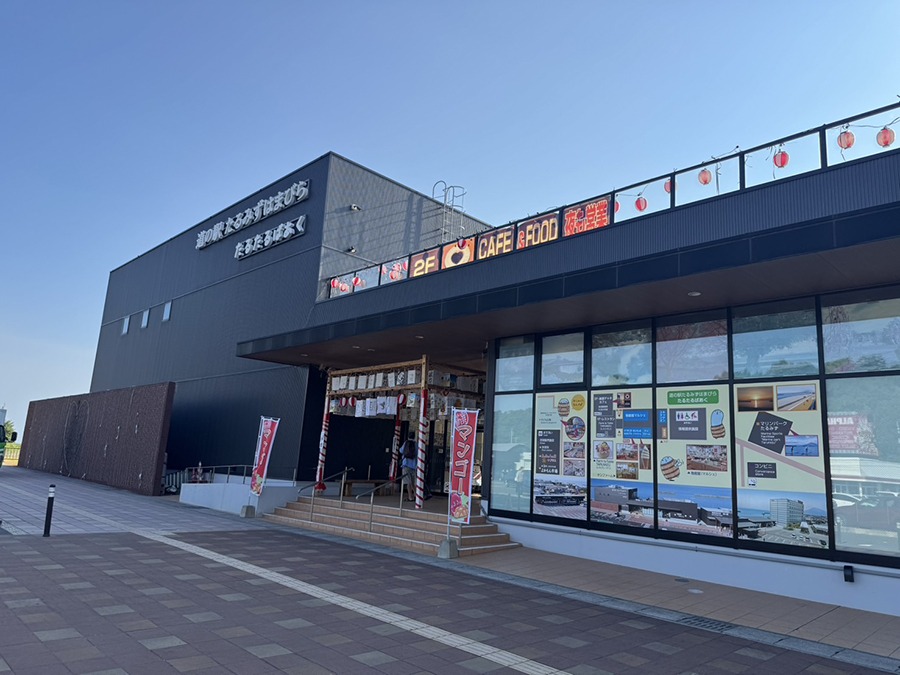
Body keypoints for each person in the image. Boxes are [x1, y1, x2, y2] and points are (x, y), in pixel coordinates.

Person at [401, 433, 417, 501]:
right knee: (413, 482)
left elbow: (401, 450)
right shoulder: (416, 444)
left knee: (408, 482)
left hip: (406, 465)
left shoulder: (406, 443)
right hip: (414, 465)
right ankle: (416, 495)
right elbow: (417, 453)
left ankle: (410, 497)